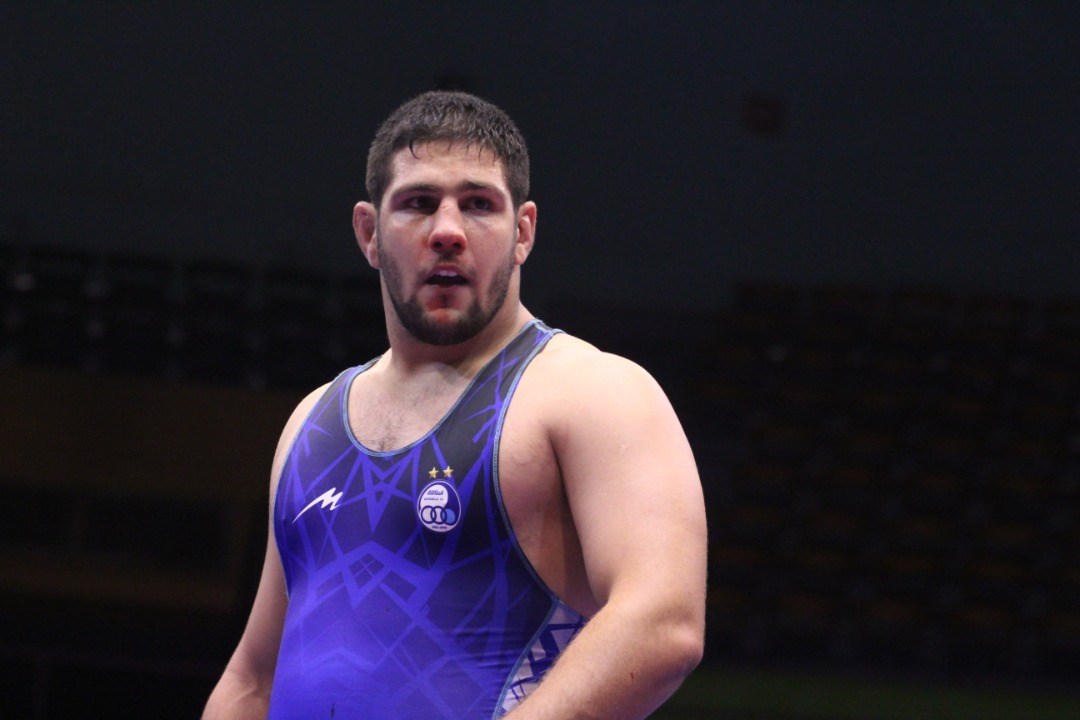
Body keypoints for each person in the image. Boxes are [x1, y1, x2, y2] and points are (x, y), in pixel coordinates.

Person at [203, 91, 707, 720]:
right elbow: (254, 678)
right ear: (369, 233)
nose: (447, 231)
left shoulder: (593, 392)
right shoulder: (312, 421)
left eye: (478, 204)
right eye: (419, 203)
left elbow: (662, 622)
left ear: (523, 232)